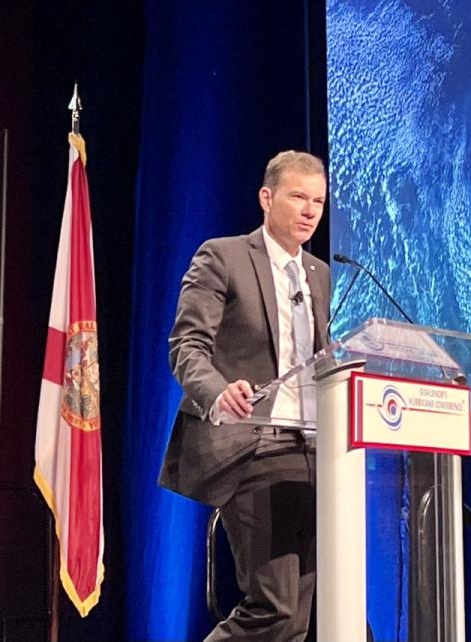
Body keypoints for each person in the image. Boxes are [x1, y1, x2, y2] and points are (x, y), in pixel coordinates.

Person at [159, 150, 331, 642]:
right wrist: (218, 392)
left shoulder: (320, 274)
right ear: (266, 197)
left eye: (318, 200)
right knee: (275, 608)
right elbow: (187, 346)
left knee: (296, 619)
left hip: (316, 453)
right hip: (253, 446)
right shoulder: (224, 256)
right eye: (298, 196)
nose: (310, 210)